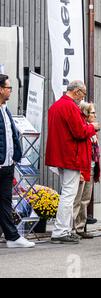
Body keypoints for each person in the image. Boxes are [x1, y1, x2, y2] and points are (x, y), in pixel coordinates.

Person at [45, 81, 100, 244]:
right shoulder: (70, 107)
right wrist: (92, 127)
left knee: (67, 194)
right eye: (82, 94)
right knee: (69, 195)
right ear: (76, 91)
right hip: (71, 156)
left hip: (61, 155)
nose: (82, 98)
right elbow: (79, 132)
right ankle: (61, 231)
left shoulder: (55, 106)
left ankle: (65, 229)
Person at [0, 74, 35, 248]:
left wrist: (15, 156)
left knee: (5, 201)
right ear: (0, 89)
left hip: (7, 164)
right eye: (8, 87)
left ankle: (12, 237)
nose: (10, 91)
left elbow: (11, 135)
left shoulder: (5, 109)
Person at [73, 102, 101, 239]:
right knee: (76, 199)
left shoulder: (93, 131)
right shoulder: (83, 128)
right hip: (82, 168)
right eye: (92, 112)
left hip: (91, 167)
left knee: (85, 199)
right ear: (85, 113)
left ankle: (80, 227)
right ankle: (71, 229)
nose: (95, 115)